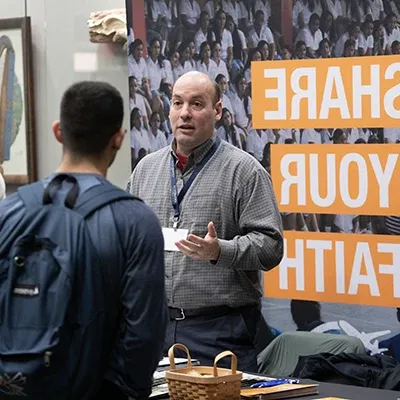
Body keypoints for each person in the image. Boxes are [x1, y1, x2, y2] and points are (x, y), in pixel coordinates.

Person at [0, 81, 167, 399]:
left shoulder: (8, 211)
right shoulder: (135, 221)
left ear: (57, 131)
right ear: (118, 138)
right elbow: (144, 333)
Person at [126, 71, 283, 372]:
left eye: (197, 104)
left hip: (220, 331)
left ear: (218, 111)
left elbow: (271, 247)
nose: (185, 113)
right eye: (177, 103)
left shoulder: (244, 171)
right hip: (154, 327)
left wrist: (219, 251)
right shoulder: (145, 170)